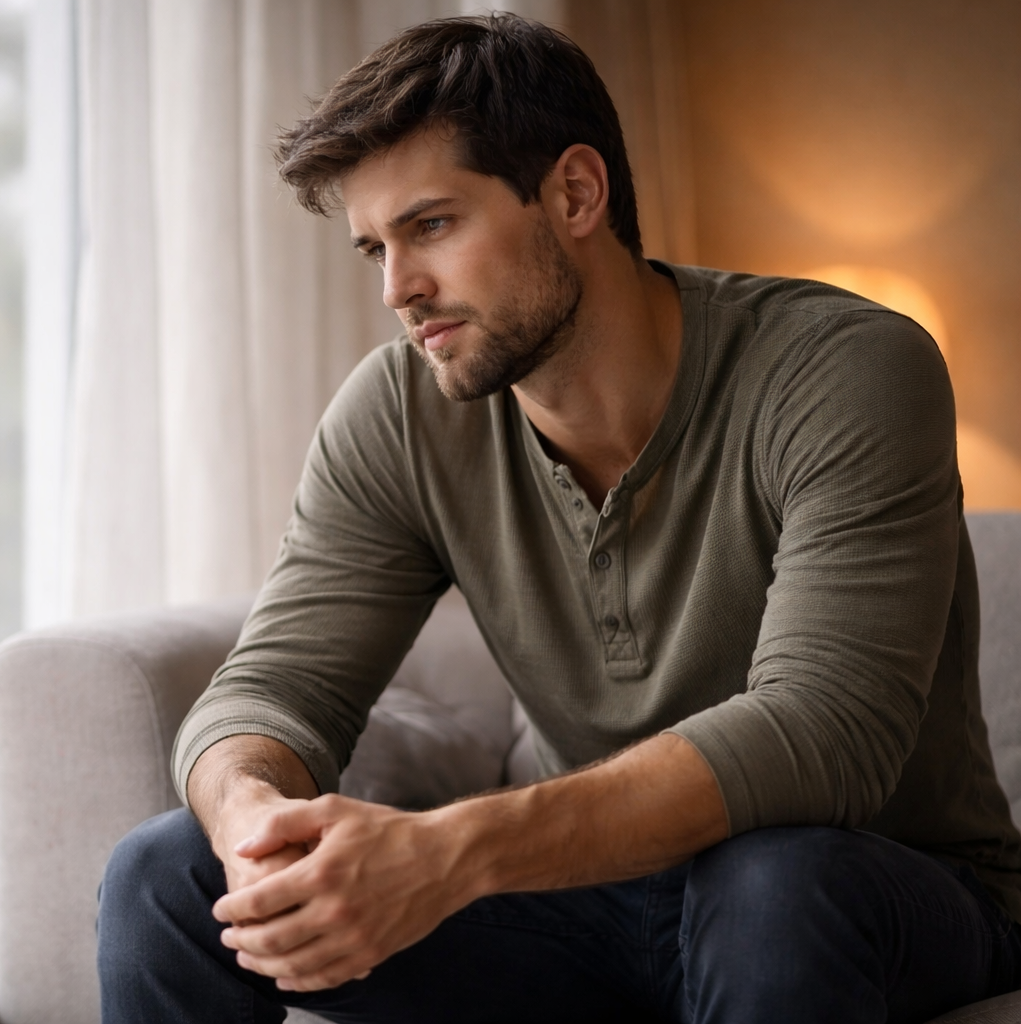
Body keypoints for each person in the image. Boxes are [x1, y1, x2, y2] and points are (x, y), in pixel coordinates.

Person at [96, 13, 1021, 1024]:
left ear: (575, 193)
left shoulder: (844, 368)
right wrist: (248, 818)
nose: (398, 289)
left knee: (769, 886)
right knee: (166, 876)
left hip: (870, 886)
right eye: (375, 247)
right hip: (577, 904)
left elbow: (825, 733)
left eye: (432, 225)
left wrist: (453, 852)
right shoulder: (399, 411)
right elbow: (271, 688)